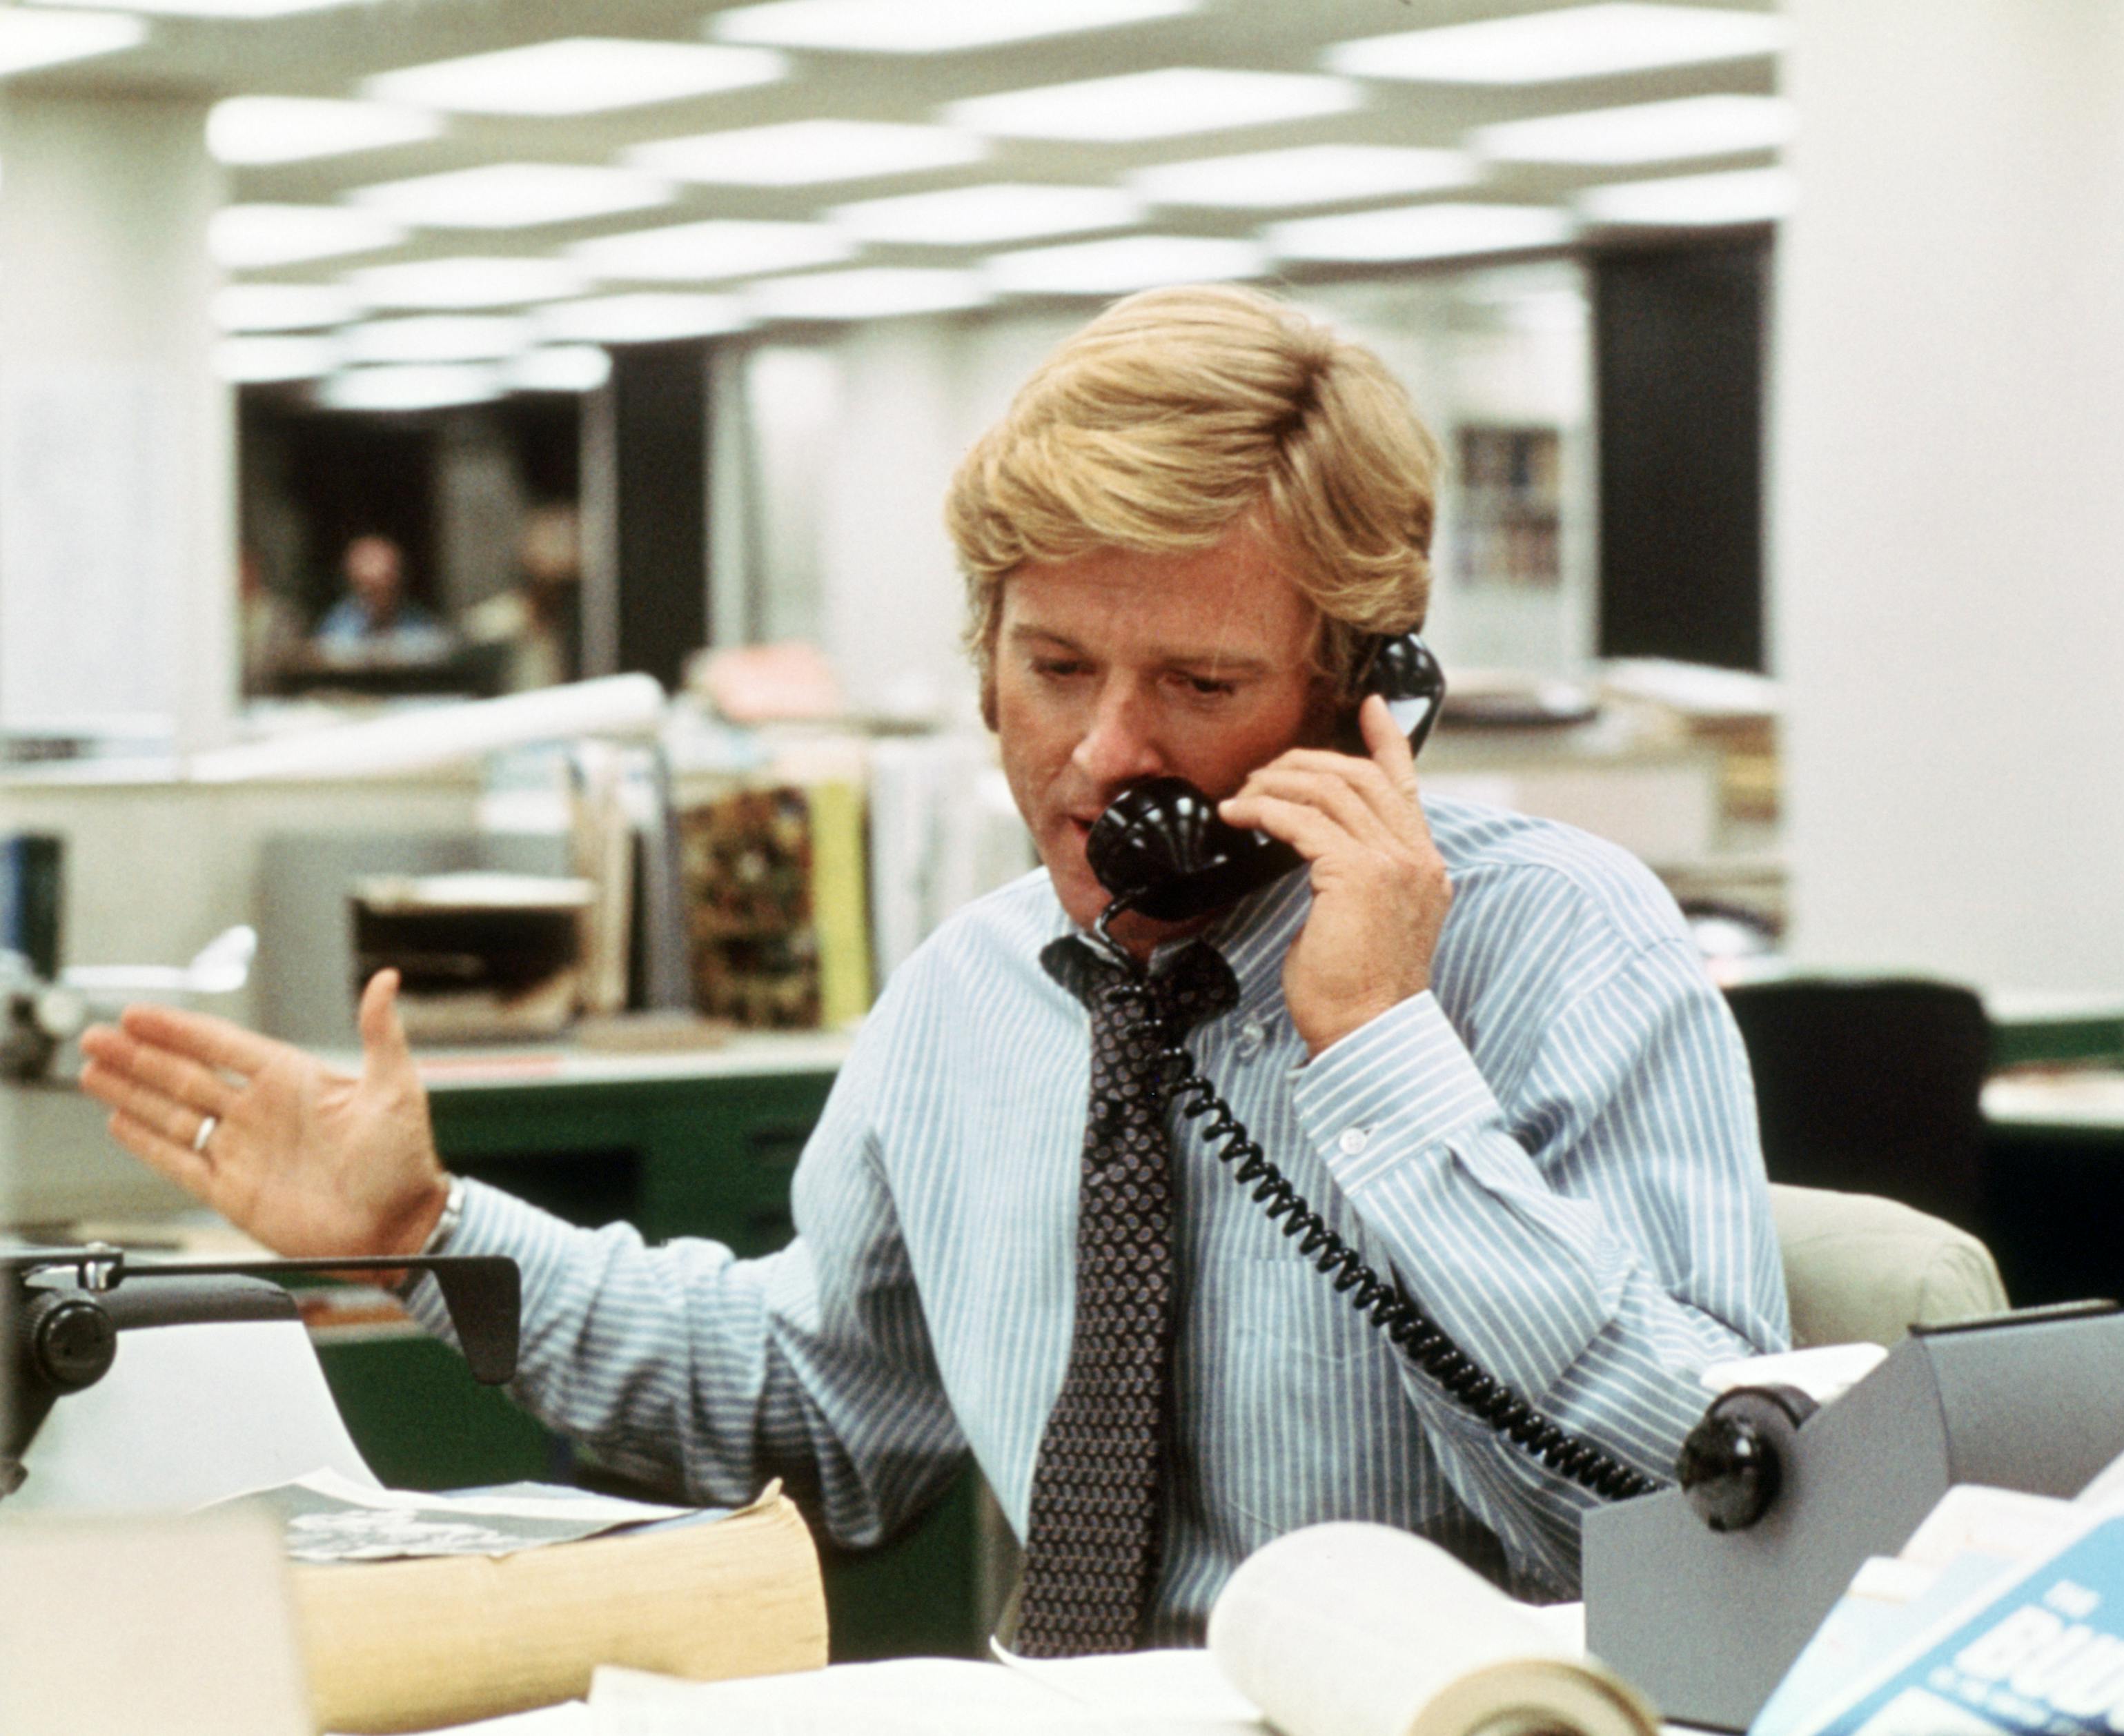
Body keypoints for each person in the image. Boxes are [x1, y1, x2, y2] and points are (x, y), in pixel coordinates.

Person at [77, 285, 1785, 1647]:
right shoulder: (975, 991)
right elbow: (818, 1406)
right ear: (983, 659)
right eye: (1053, 664)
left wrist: (1381, 1058)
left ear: (1362, 698)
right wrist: (425, 1234)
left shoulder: (1563, 944)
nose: (1102, 751)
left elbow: (1698, 1513)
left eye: (1196, 683)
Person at [308, 533, 457, 665]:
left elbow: (438, 650)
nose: (379, 597)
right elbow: (326, 655)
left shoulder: (420, 624)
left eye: (386, 586)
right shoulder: (337, 624)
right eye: (369, 589)